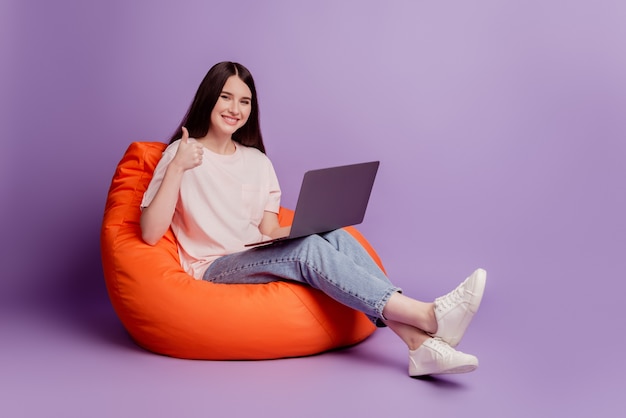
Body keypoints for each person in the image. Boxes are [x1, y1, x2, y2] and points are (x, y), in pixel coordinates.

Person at [140, 61, 487, 377]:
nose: (235, 109)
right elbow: (151, 233)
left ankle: (418, 345)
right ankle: (427, 316)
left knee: (332, 235)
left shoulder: (257, 161)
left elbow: (267, 230)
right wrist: (178, 168)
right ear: (208, 99)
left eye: (244, 101)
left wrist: (308, 227)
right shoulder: (181, 154)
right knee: (307, 251)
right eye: (225, 97)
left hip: (251, 255)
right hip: (213, 267)